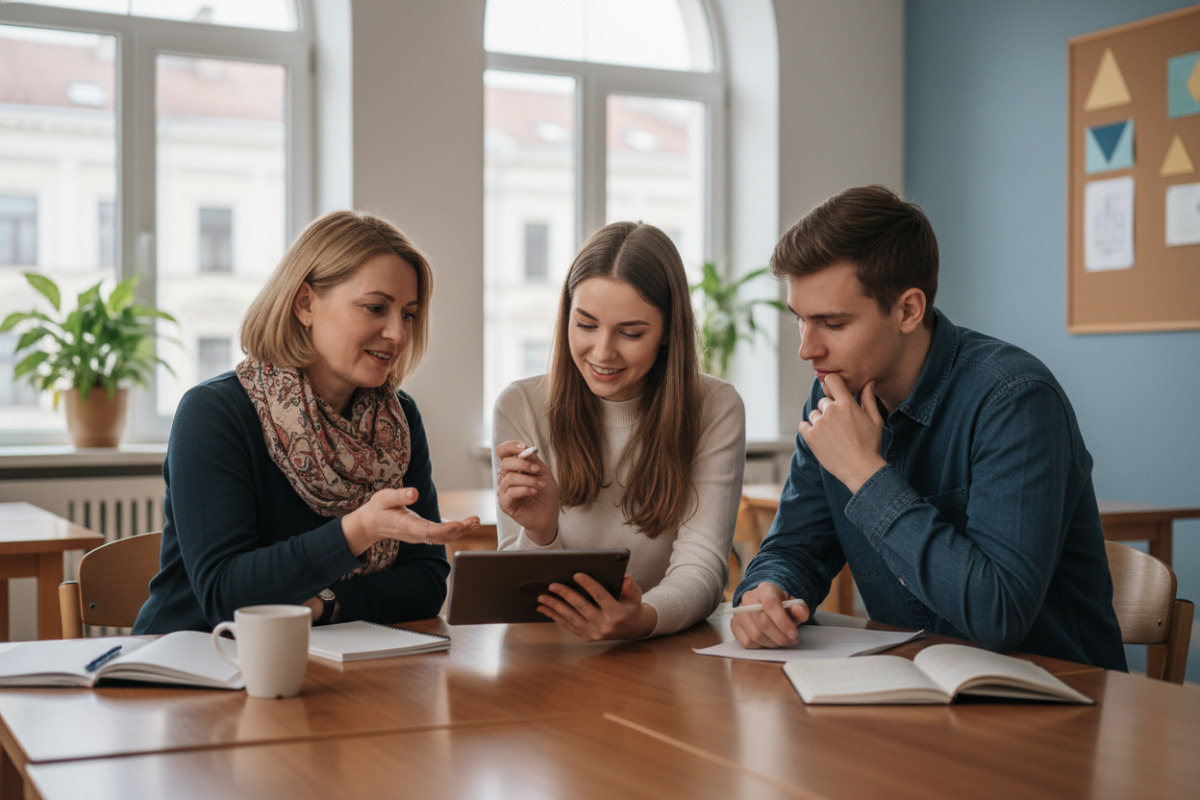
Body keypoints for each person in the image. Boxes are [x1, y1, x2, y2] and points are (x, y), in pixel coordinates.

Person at [731, 186, 1126, 670]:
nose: (807, 349)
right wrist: (765, 591)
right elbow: (795, 547)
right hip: (914, 695)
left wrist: (865, 474)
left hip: (1053, 701)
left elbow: (997, 615)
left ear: (908, 310)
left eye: (831, 324)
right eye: (800, 321)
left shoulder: (1015, 399)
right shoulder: (834, 395)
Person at [134, 211, 478, 634]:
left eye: (408, 314)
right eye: (376, 308)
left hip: (332, 662)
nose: (398, 334)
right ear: (305, 304)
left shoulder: (398, 419)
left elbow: (426, 581)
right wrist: (358, 530)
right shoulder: (213, 413)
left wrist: (325, 606)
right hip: (194, 663)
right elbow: (226, 597)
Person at [493, 221, 745, 641]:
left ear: (668, 332)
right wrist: (540, 533)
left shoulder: (714, 406)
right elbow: (518, 590)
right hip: (552, 646)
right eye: (586, 325)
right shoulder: (521, 405)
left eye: (631, 333)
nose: (603, 352)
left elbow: (703, 565)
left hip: (664, 643)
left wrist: (644, 617)